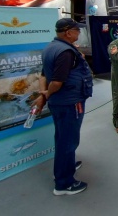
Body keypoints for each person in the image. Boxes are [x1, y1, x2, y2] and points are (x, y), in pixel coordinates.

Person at [33, 18, 93, 196]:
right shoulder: (66, 53)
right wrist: (47, 94)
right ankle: (64, 183)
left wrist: (44, 94)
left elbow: (44, 75)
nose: (79, 33)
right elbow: (57, 82)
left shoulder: (51, 47)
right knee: (68, 140)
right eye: (77, 30)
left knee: (62, 137)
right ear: (68, 32)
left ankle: (65, 165)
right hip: (69, 103)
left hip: (61, 103)